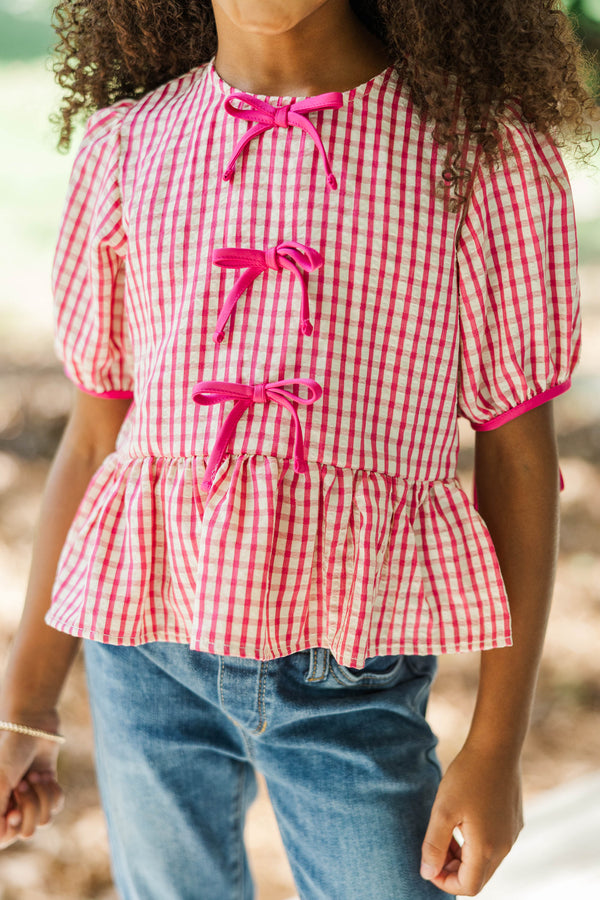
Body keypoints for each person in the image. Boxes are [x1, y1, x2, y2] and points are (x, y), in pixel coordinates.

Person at [0, 1, 597, 897]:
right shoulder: (126, 151)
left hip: (348, 672)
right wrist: (27, 706)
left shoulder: (481, 160)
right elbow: (96, 443)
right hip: (143, 653)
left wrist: (496, 745)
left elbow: (515, 459)